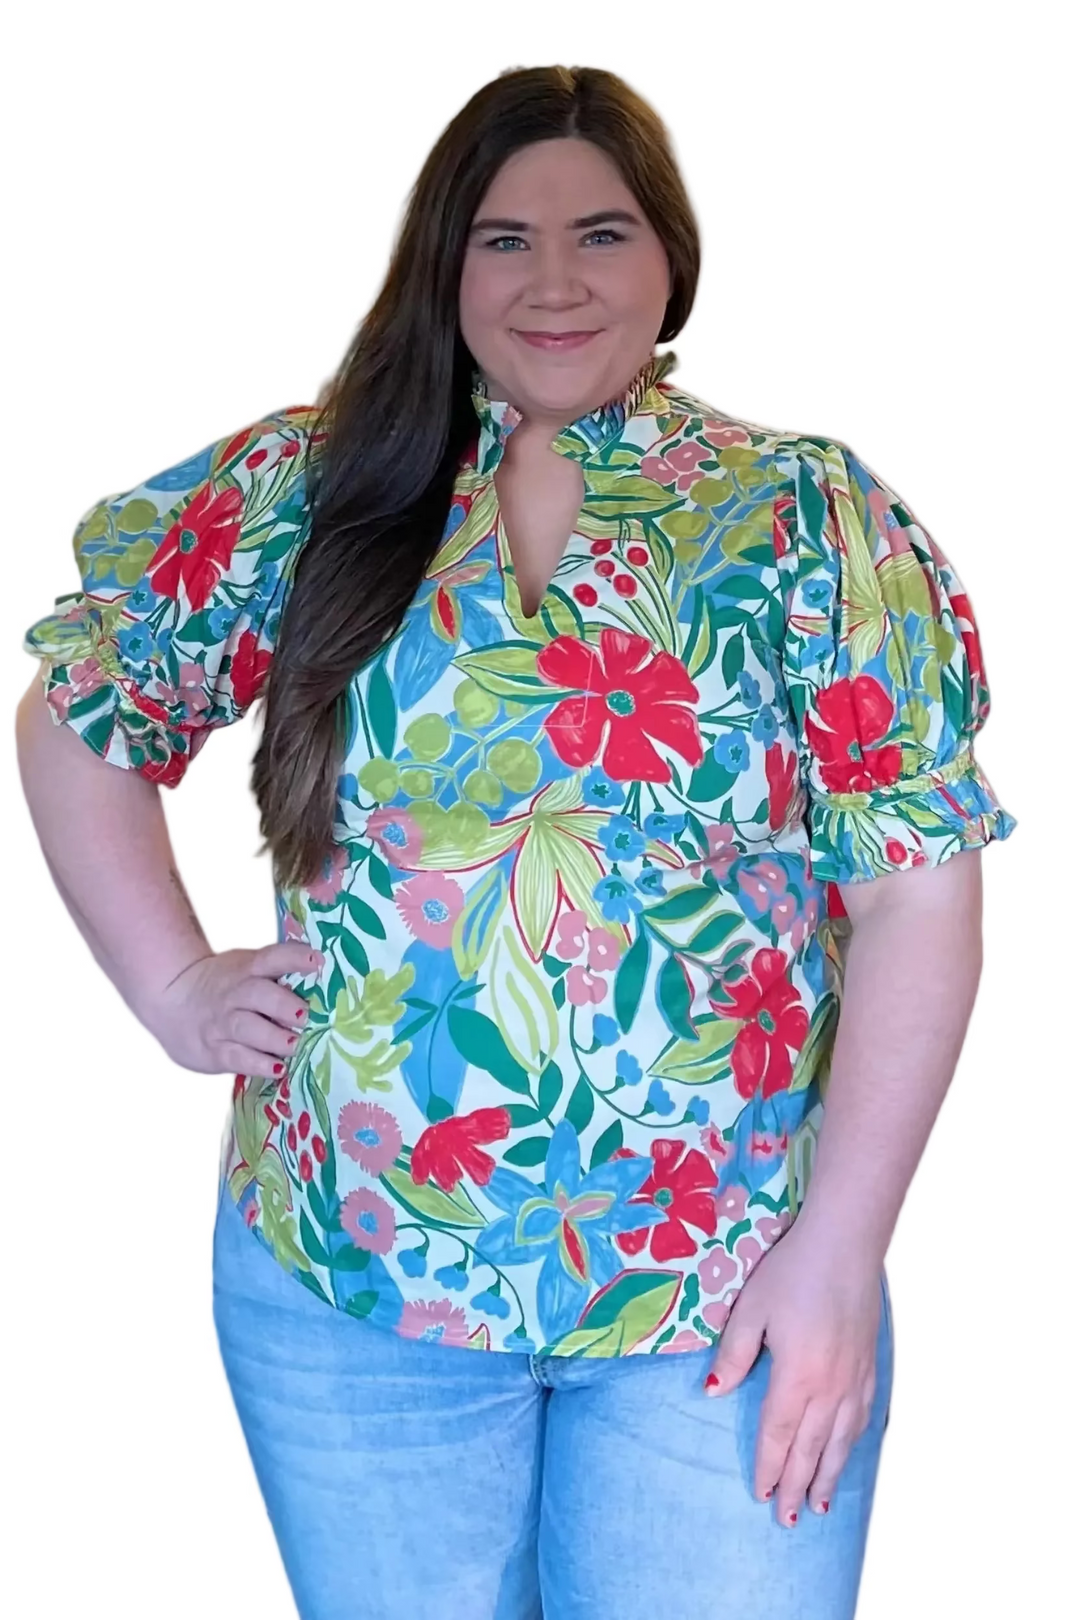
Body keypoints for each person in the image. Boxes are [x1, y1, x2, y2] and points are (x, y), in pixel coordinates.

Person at [15, 62, 1016, 1620]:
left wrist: (842, 1255)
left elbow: (917, 895)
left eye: (602, 233)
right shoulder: (312, 482)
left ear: (671, 254)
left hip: (724, 1286)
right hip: (354, 1283)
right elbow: (83, 715)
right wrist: (173, 987)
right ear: (444, 260)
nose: (556, 280)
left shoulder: (803, 516)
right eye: (504, 239)